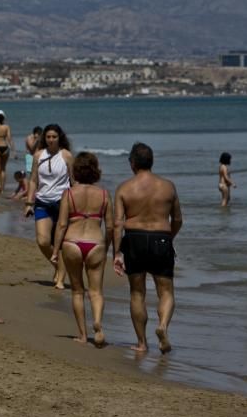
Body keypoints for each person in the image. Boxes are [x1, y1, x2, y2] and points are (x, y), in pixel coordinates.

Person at [114, 142, 182, 354]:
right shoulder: (168, 186)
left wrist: (117, 252)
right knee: (166, 291)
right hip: (161, 238)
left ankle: (142, 343)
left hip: (134, 239)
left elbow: (117, 223)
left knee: (137, 292)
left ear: (132, 163)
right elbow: (178, 219)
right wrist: (168, 238)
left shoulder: (124, 188)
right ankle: (162, 326)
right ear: (151, 161)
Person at [51, 152, 113, 347]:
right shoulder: (104, 194)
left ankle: (82, 335)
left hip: (72, 242)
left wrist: (55, 251)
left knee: (77, 291)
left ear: (76, 171)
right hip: (96, 243)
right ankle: (98, 323)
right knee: (96, 291)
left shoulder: (69, 193)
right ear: (95, 171)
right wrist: (108, 247)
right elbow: (111, 226)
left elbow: (61, 224)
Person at [26, 124, 73, 289]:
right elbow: (33, 180)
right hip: (42, 202)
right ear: (44, 138)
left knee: (60, 243)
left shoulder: (66, 155)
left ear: (59, 138)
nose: (51, 140)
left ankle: (60, 278)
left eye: (54, 137)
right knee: (43, 241)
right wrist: (29, 203)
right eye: (48, 137)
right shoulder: (38, 155)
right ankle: (59, 268)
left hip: (63, 203)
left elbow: (73, 182)